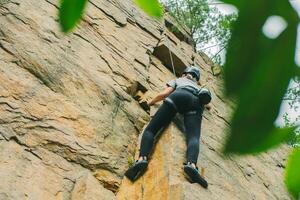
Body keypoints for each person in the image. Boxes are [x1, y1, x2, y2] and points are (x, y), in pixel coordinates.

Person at [124, 66, 212, 188]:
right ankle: (192, 165)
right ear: (196, 79)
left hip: (177, 96)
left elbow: (165, 93)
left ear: (184, 74)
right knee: (193, 137)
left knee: (151, 130)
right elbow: (208, 106)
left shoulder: (178, 80)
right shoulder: (198, 87)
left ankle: (142, 159)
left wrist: (150, 102)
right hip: (196, 103)